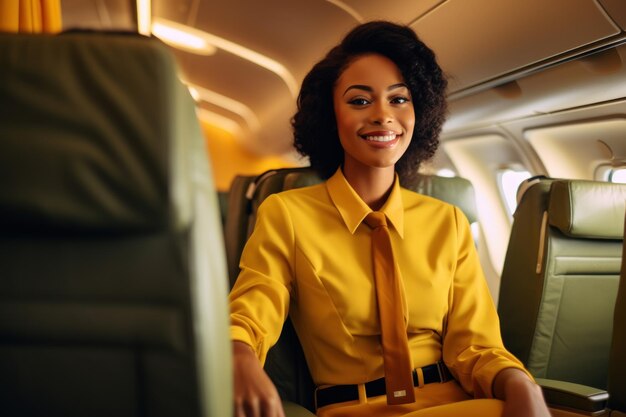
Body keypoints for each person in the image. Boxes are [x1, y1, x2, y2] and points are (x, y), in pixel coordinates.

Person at [229, 21, 550, 417]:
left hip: (456, 402)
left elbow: (476, 348)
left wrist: (520, 384)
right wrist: (238, 355)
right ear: (331, 115)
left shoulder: (447, 222)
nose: (383, 116)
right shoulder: (287, 214)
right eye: (360, 101)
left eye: (399, 99)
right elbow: (250, 315)